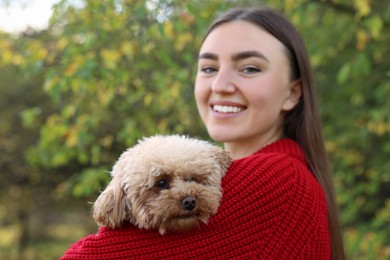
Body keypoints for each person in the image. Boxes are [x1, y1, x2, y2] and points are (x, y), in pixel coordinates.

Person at [61, 6, 345, 260]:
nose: (220, 85)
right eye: (209, 67)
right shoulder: (289, 172)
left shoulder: (278, 181)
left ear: (292, 93)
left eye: (249, 68)